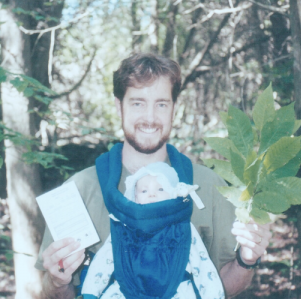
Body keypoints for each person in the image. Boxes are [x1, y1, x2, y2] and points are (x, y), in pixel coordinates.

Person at [38, 54, 272, 298]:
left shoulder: (207, 186)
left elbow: (222, 286)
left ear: (173, 109)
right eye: (138, 103)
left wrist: (246, 259)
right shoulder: (80, 190)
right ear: (119, 106)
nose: (150, 118)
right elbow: (49, 290)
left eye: (161, 104)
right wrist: (57, 281)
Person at [78, 161, 224, 299]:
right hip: (127, 290)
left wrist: (213, 294)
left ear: (173, 193)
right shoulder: (123, 226)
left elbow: (202, 263)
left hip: (176, 289)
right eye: (144, 190)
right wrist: (90, 293)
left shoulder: (182, 227)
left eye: (161, 189)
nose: (152, 194)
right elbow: (104, 261)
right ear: (134, 197)